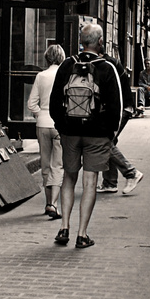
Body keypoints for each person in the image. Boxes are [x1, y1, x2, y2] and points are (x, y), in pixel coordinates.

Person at [48, 21, 128, 249]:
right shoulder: (108, 66)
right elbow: (117, 107)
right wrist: (111, 134)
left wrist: (62, 126)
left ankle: (64, 226)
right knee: (90, 181)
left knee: (69, 178)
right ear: (101, 41)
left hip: (70, 133)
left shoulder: (67, 65)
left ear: (81, 42)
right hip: (98, 135)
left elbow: (54, 101)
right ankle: (82, 234)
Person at [27, 44, 67, 220]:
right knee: (58, 165)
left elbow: (31, 103)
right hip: (59, 124)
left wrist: (39, 114)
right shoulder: (64, 75)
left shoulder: (40, 76)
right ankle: (54, 204)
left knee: (45, 164)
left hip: (42, 123)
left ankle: (47, 202)